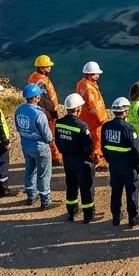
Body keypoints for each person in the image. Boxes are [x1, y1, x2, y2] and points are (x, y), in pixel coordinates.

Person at [101, 96, 139, 227]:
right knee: (131, 192)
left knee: (116, 192)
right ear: (125, 112)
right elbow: (137, 149)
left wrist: (110, 160)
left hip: (114, 165)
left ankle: (116, 218)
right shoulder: (129, 129)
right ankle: (133, 219)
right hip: (129, 166)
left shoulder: (106, 127)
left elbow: (103, 147)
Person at [55, 93, 97, 222]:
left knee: (71, 185)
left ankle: (72, 211)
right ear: (78, 109)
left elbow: (58, 142)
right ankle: (88, 215)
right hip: (81, 161)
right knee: (86, 187)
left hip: (67, 159)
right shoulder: (81, 126)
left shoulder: (59, 123)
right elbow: (89, 146)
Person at [14, 83, 54, 209]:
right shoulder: (39, 114)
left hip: (26, 145)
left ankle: (31, 195)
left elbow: (18, 128)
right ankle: (46, 200)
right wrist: (51, 141)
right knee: (44, 173)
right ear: (36, 98)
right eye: (39, 96)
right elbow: (47, 135)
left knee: (30, 170)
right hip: (40, 147)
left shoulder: (19, 110)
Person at [26, 55, 62, 165]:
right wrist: (52, 111)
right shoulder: (41, 81)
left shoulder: (33, 77)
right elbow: (45, 98)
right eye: (47, 66)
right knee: (50, 133)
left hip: (40, 110)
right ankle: (55, 157)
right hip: (47, 111)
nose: (50, 68)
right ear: (42, 68)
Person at [74, 61, 109, 165]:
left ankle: (91, 157)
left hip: (84, 118)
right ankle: (98, 161)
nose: (97, 76)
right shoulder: (89, 88)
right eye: (95, 74)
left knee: (88, 139)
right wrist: (101, 119)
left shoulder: (81, 83)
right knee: (96, 140)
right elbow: (93, 107)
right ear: (89, 75)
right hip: (94, 121)